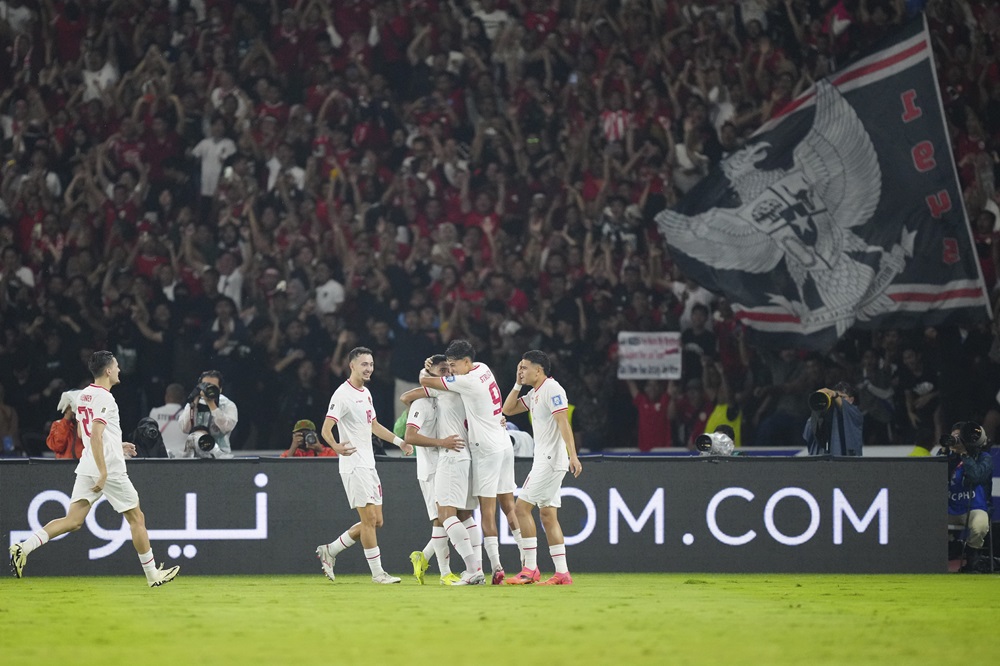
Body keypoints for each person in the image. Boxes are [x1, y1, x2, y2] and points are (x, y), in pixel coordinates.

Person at [8, 351, 180, 587]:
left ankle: (23, 548)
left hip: (88, 462)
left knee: (73, 520)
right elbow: (96, 436)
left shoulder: (85, 395)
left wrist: (116, 445)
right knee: (136, 518)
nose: (119, 370)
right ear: (108, 370)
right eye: (117, 366)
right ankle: (153, 576)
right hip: (106, 467)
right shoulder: (105, 398)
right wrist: (104, 471)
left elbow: (84, 433)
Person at [419, 339, 520, 585]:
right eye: (448, 367)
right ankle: (530, 564)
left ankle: (485, 567)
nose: (451, 370)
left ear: (466, 362)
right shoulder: (483, 369)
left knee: (476, 512)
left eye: (453, 365)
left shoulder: (465, 382)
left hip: (480, 451)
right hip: (502, 443)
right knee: (506, 507)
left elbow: (424, 384)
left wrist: (426, 371)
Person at [314, 347, 413, 584]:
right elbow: (326, 429)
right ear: (352, 366)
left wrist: (400, 442)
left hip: (369, 464)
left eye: (371, 364)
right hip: (353, 465)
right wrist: (336, 447)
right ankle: (378, 574)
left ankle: (331, 550)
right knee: (369, 520)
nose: (368, 368)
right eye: (364, 364)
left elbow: (374, 425)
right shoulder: (342, 394)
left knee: (376, 521)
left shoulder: (366, 393)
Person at [501, 350, 583, 585]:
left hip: (549, 459)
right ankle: (562, 573)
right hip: (545, 459)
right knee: (547, 515)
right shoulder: (534, 393)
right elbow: (508, 409)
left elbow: (563, 423)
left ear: (539, 370)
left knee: (520, 509)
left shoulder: (552, 389)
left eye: (524, 368)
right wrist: (517, 384)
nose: (521, 371)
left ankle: (530, 569)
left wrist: (573, 456)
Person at [403, 358, 485, 586]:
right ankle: (468, 568)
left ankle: (464, 570)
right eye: (443, 371)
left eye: (449, 370)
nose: (447, 374)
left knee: (445, 516)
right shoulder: (464, 390)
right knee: (463, 516)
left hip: (449, 459)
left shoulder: (441, 392)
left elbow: (405, 396)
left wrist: (442, 442)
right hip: (459, 459)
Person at [944, 422, 994, 572]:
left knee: (980, 525)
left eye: (959, 438)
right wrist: (944, 454)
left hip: (973, 508)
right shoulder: (948, 458)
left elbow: (976, 476)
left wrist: (965, 455)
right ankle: (950, 547)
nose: (956, 441)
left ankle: (972, 557)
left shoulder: (984, 458)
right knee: (926, 520)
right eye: (953, 438)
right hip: (949, 508)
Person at [178, 370, 238, 455]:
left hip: (220, 456)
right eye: (205, 386)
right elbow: (184, 428)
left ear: (220, 389)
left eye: (213, 387)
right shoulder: (193, 403)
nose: (208, 390)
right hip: (194, 455)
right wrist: (194, 404)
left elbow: (227, 428)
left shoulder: (228, 405)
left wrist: (212, 405)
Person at [803, 381, 863, 456]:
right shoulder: (827, 414)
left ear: (851, 400)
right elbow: (811, 432)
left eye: (842, 397)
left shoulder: (855, 413)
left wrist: (835, 394)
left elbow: (846, 409)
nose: (837, 400)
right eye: (835, 398)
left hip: (849, 463)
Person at [149, 383, 187, 458]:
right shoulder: (187, 414)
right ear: (183, 398)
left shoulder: (155, 412)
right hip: (182, 458)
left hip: (160, 456)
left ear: (166, 396)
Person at [46, 389, 83, 459]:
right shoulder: (58, 424)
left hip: (83, 466)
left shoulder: (89, 425)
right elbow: (57, 447)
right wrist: (67, 417)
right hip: (63, 466)